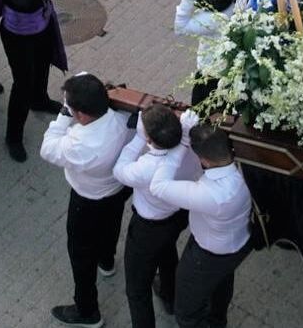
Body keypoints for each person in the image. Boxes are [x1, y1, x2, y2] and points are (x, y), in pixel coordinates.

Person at [42, 72, 130, 328]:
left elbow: (47, 149)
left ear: (80, 114)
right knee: (111, 225)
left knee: (80, 255)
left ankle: (87, 310)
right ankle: (107, 260)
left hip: (87, 201)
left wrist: (62, 116)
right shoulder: (122, 118)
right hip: (117, 190)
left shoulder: (79, 144)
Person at [150, 118, 253, 328]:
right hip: (239, 243)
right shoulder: (247, 168)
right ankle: (217, 320)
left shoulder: (212, 194)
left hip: (208, 255)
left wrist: (182, 143)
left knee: (187, 312)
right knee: (222, 285)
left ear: (204, 160)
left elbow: (158, 186)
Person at [113, 104, 195, 328]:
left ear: (150, 138)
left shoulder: (146, 167)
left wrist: (138, 139)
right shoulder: (192, 149)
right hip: (178, 216)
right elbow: (177, 154)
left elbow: (119, 171)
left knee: (137, 290)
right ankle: (170, 295)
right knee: (167, 252)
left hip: (148, 229)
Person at [1, 0, 67, 162]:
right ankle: (13, 136)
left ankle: (39, 100)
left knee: (42, 66)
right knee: (22, 84)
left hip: (41, 27)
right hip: (17, 36)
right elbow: (22, 0)